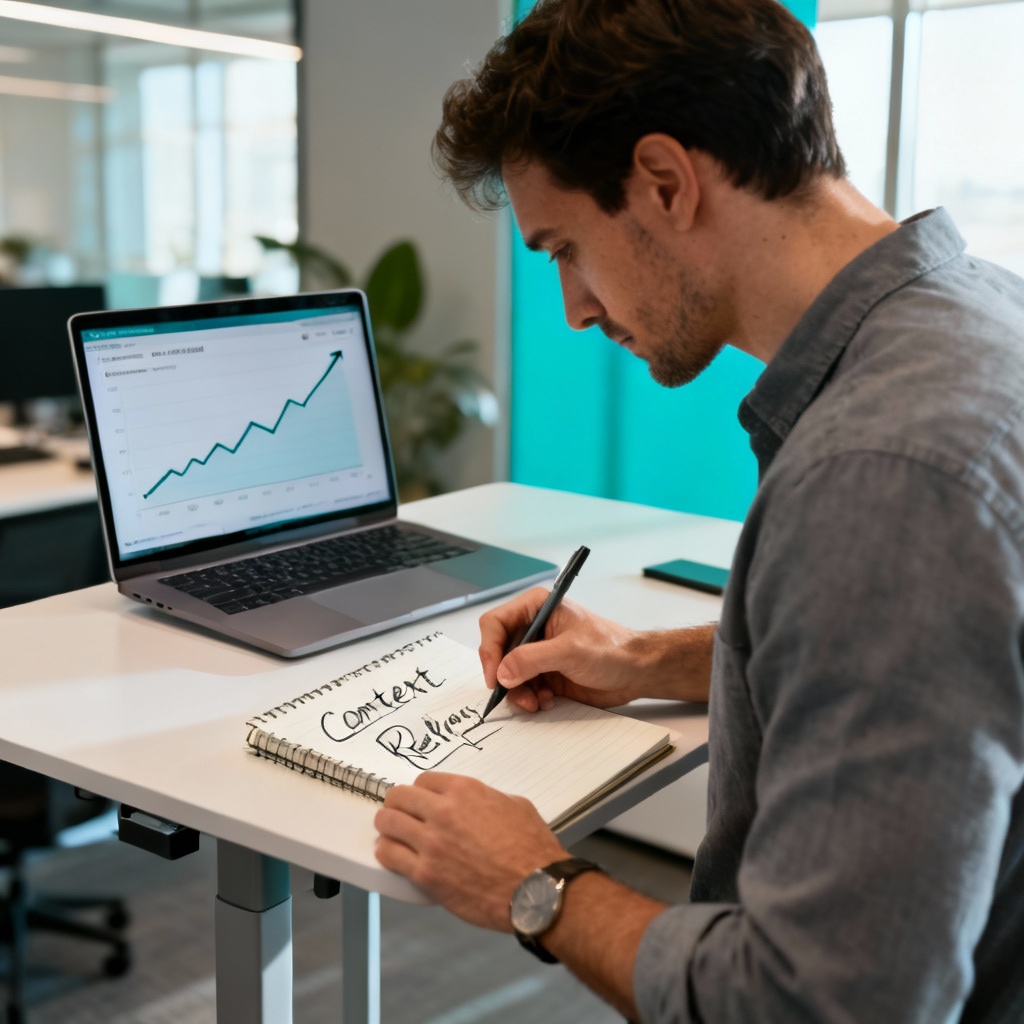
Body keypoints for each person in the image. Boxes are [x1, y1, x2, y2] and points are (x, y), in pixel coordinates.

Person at [373, 0, 1024, 1020]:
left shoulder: (879, 474)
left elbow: (824, 1002)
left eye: (565, 248)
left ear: (666, 182)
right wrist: (645, 662)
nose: (574, 309)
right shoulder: (978, 312)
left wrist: (535, 886)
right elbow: (933, 665)